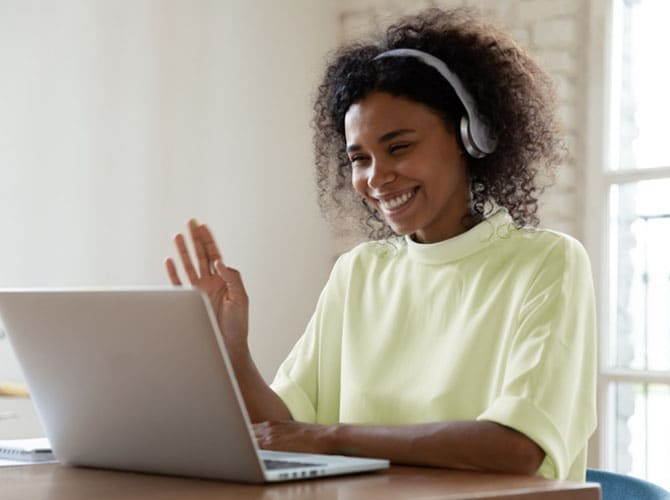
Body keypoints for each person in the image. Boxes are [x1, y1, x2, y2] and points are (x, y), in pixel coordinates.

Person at [165, 7, 596, 481]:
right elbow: (281, 429)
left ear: (469, 139)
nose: (376, 177)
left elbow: (516, 447)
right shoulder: (359, 271)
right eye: (359, 158)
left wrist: (330, 437)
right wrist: (232, 352)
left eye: (399, 147)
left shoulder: (547, 263)